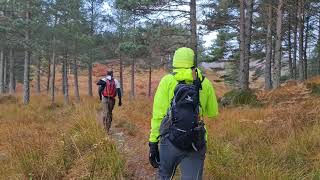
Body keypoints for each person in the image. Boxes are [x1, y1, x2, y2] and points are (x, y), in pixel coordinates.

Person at [148, 47, 219, 180]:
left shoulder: (167, 81)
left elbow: (158, 116)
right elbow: (212, 113)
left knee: (164, 176)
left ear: (175, 61)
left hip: (169, 141)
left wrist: (153, 142)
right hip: (196, 141)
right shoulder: (205, 82)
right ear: (193, 61)